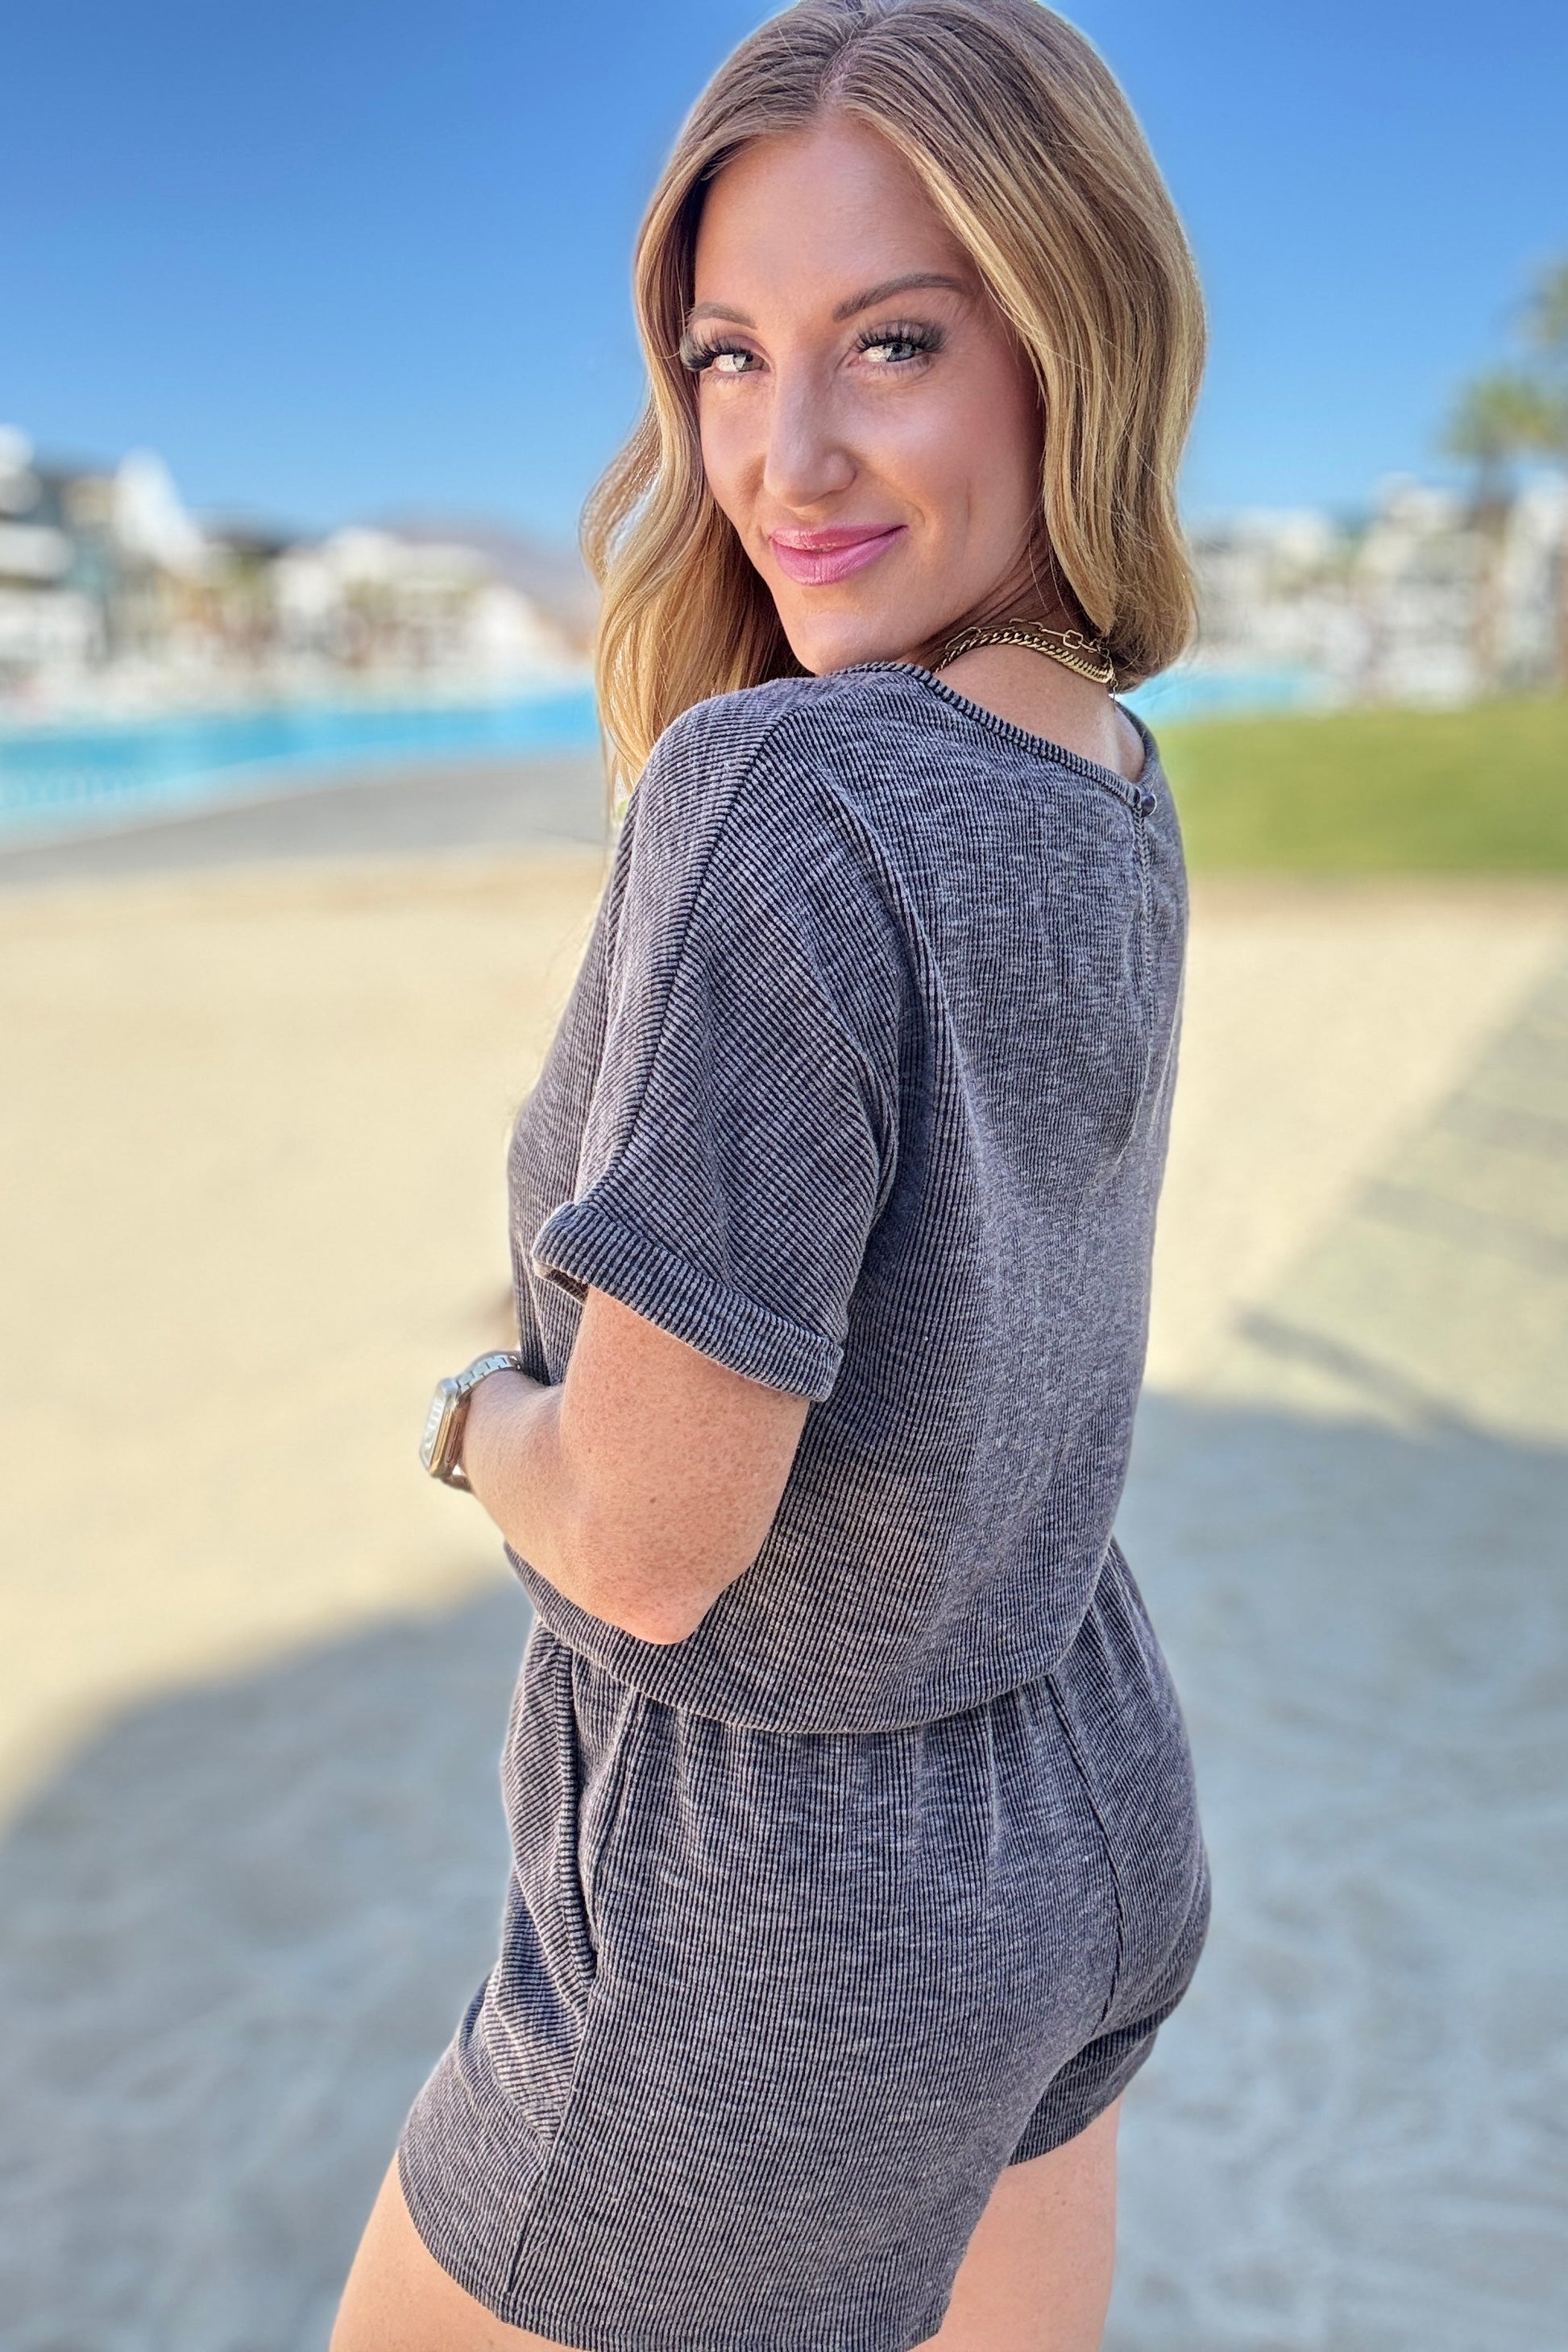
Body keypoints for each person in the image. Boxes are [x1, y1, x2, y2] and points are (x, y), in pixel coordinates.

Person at [332, 2, 1212, 2346]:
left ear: (1068, 342)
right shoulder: (1105, 772)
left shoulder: (787, 791)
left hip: (777, 1925)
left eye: (890, 343)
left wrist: (467, 1418)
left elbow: (645, 1539)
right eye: (727, 357)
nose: (780, 454)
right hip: (1085, 1794)